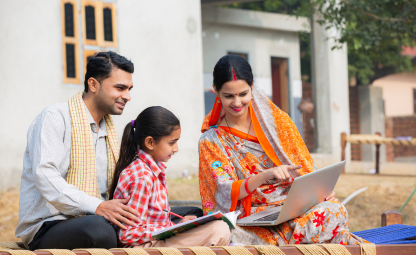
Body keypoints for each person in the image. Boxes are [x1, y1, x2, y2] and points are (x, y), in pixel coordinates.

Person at [198, 55, 366, 245]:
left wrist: (321, 191)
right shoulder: (211, 140)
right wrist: (265, 175)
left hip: (293, 208)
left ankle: (286, 240)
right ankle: (300, 240)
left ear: (252, 86)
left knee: (334, 210)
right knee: (225, 233)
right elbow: (223, 191)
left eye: (243, 94)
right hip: (252, 220)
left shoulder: (278, 123)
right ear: (216, 91)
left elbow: (305, 167)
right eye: (228, 96)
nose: (237, 103)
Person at [16, 52, 139, 250]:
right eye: (120, 88)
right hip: (49, 225)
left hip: (97, 218)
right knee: (100, 231)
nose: (128, 96)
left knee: (190, 214)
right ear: (93, 84)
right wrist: (97, 206)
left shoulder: (109, 130)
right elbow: (45, 176)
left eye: (129, 89)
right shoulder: (55, 117)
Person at [109, 106, 231, 247]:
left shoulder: (153, 170)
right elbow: (128, 234)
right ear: (150, 142)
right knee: (218, 231)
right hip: (140, 247)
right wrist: (173, 228)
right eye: (172, 142)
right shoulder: (142, 177)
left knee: (218, 227)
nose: (176, 149)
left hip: (155, 241)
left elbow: (155, 222)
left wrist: (176, 226)